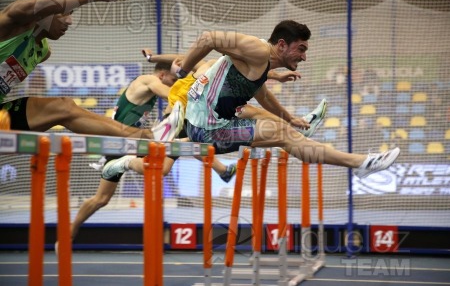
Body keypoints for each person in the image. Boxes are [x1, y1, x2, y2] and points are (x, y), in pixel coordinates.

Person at [162, 20, 400, 179]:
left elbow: (262, 94)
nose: (304, 57)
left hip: (208, 124)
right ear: (282, 45)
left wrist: (289, 117)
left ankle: (350, 159)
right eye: (301, 49)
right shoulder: (259, 50)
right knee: (282, 135)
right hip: (207, 129)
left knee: (273, 124)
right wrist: (183, 71)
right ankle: (360, 164)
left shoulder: (262, 65)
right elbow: (208, 38)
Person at [69, 61, 238, 242]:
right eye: (172, 79)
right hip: (123, 143)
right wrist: (198, 89)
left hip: (135, 141)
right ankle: (127, 163)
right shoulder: (147, 80)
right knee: (166, 155)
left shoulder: (147, 92)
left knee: (102, 199)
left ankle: (70, 232)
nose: (174, 83)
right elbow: (173, 94)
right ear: (162, 75)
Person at [0, 0, 180, 140]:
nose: (69, 21)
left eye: (71, 14)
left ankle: (147, 136)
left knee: (63, 106)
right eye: (64, 13)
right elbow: (39, 5)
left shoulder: (43, 52)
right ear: (44, 13)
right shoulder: (14, 22)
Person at [144, 49, 327, 141]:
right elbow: (179, 57)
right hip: (179, 115)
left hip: (196, 117)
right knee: (157, 158)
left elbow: (250, 71)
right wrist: (153, 58)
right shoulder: (195, 73)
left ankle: (297, 127)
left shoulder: (211, 65)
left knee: (248, 110)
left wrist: (277, 76)